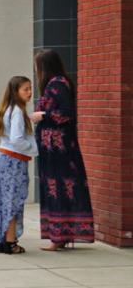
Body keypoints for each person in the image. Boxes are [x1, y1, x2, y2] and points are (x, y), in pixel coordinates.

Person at [33, 50, 94, 250]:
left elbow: (66, 113)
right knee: (56, 188)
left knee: (58, 188)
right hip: (53, 150)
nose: (37, 70)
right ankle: (59, 236)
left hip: (58, 151)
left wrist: (43, 115)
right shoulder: (56, 83)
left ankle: (59, 237)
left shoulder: (57, 84)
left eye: (38, 66)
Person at [0, 76, 37, 254]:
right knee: (14, 199)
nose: (29, 92)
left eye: (30, 88)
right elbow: (16, 139)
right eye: (25, 89)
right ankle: (10, 242)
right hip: (14, 159)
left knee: (3, 199)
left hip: (2, 155)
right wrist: (31, 147)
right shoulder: (17, 110)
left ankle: (3, 240)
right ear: (16, 91)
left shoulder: (6, 108)